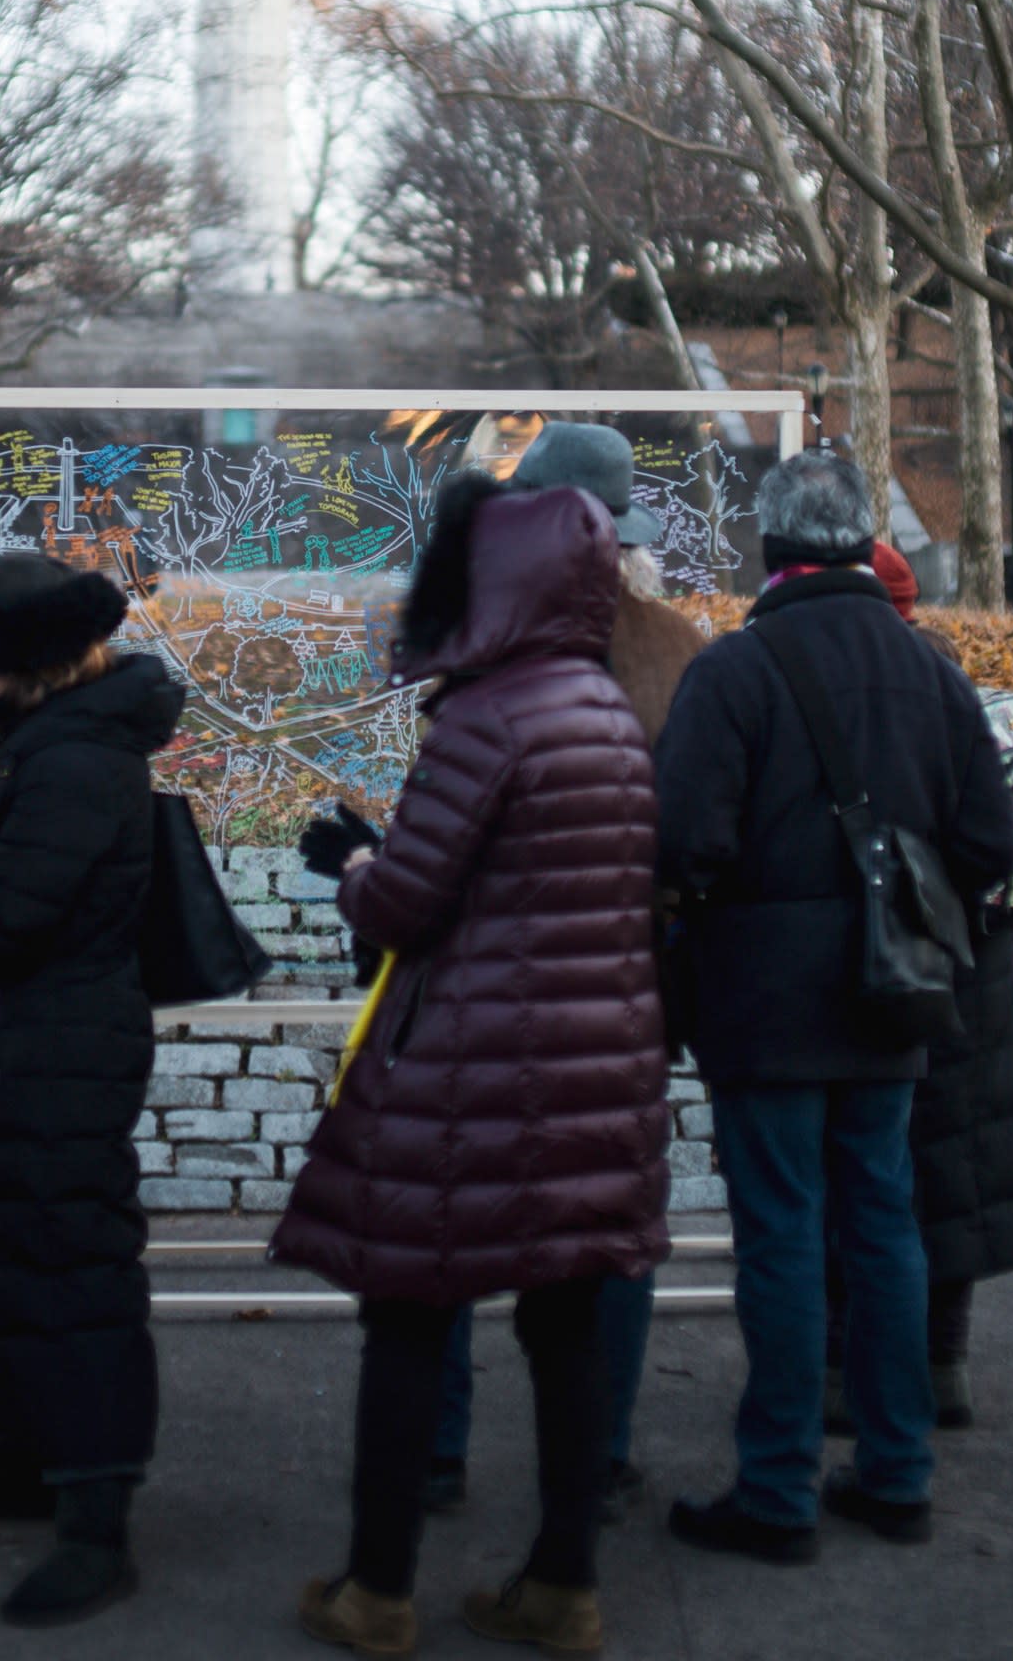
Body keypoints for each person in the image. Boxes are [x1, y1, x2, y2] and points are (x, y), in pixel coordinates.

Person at [274, 474, 670, 1660]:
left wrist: (350, 862)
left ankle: (379, 1593)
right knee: (565, 1329)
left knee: (406, 1320)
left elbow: (405, 905)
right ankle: (563, 1587)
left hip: (467, 1080)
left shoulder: (487, 719)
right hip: (595, 1078)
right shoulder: (605, 710)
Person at [654, 455, 1013, 1565]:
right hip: (892, 999)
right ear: (867, 540)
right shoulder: (934, 676)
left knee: (781, 1238)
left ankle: (776, 1491)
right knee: (885, 1228)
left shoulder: (733, 673)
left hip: (764, 1008)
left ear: (770, 547)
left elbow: (683, 845)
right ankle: (899, 1474)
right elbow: (993, 844)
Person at [419, 423, 706, 1525]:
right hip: (627, 982)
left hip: (484, 981)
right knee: (608, 1222)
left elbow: (443, 834)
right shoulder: (680, 649)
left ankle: (439, 1451)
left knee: (449, 1210)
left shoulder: (484, 648)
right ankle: (598, 1456)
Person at [0, 553, 185, 1627]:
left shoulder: (72, 762)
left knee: (74, 1261)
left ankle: (95, 1520)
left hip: (62, 1043)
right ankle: (27, 1458)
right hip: (27, 1042)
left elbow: (3, 924)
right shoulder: (47, 738)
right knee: (10, 1245)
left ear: (24, 662)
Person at [823, 542, 1013, 1435]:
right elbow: (1001, 847)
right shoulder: (957, 681)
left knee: (859, 1178)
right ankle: (944, 1366)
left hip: (884, 966)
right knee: (952, 1172)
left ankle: (844, 1375)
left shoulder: (852, 697)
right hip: (972, 972)